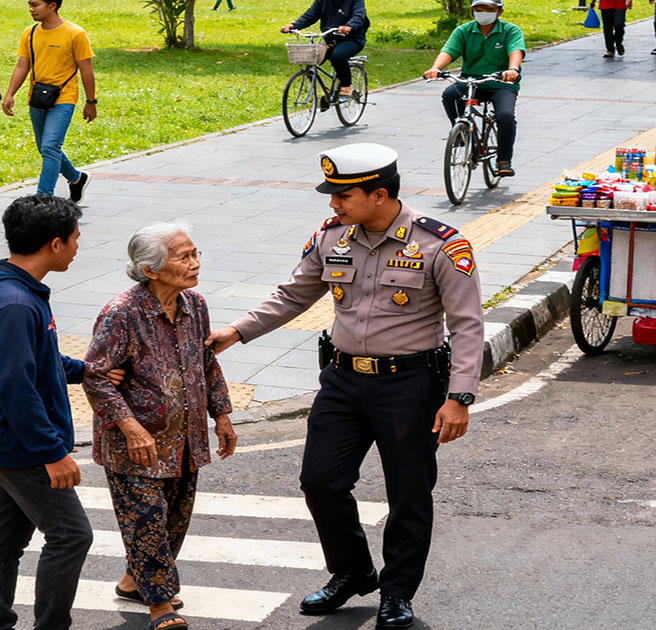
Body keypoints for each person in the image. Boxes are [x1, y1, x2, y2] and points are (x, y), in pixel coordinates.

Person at [206, 143, 484, 629]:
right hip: (341, 379)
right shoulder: (332, 236)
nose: (333, 205)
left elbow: (467, 326)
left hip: (411, 385)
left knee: (409, 493)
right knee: (321, 480)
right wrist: (236, 331)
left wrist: (459, 397)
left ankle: (397, 593)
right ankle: (353, 572)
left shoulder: (441, 245)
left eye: (343, 195)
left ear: (379, 194)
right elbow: (292, 295)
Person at [83, 224, 238, 630]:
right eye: (184, 257)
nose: (195, 262)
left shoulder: (195, 305)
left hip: (184, 441)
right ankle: (161, 606)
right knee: (147, 518)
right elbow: (96, 376)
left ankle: (136, 581)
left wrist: (221, 415)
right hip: (136, 445)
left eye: (195, 252)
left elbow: (207, 362)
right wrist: (131, 427)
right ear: (150, 269)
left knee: (174, 520)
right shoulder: (121, 312)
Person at [0, 195, 94, 630]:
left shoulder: (14, 289)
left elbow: (37, 360)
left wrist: (86, 371)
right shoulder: (15, 304)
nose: (78, 247)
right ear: (54, 244)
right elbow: (15, 386)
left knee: (5, 540)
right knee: (71, 535)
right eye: (75, 239)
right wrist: (52, 452)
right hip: (20, 446)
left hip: (2, 441)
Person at [1, 0, 97, 204]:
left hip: (64, 98)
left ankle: (43, 197)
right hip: (37, 96)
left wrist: (91, 101)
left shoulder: (75, 33)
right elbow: (22, 65)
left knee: (50, 146)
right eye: (29, 4)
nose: (31, 9)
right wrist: (10, 94)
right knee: (45, 147)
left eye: (35, 5)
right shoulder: (30, 32)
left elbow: (86, 69)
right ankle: (76, 178)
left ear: (52, 5)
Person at [423, 0, 524, 178]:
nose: (483, 12)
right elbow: (449, 51)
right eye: (478, 8)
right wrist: (436, 68)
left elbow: (515, 51)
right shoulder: (464, 31)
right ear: (472, 11)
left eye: (489, 9)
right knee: (450, 95)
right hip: (471, 80)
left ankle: (503, 161)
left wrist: (513, 69)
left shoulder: (510, 30)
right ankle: (461, 132)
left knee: (506, 116)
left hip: (501, 83)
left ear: (499, 11)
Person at [280, 0, 368, 103]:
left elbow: (359, 16)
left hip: (352, 39)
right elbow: (310, 15)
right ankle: (325, 90)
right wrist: (294, 25)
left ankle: (346, 87)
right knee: (312, 58)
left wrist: (350, 26)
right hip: (332, 40)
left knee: (338, 56)